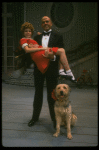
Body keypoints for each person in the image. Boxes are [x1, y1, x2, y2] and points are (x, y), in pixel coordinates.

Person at [26, 16, 76, 128]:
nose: (45, 23)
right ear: (41, 24)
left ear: (51, 23)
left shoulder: (58, 36)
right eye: (43, 22)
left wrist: (52, 57)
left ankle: (55, 121)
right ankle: (35, 118)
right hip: (38, 69)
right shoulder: (36, 37)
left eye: (47, 21)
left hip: (52, 69)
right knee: (37, 94)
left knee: (52, 95)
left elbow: (61, 53)